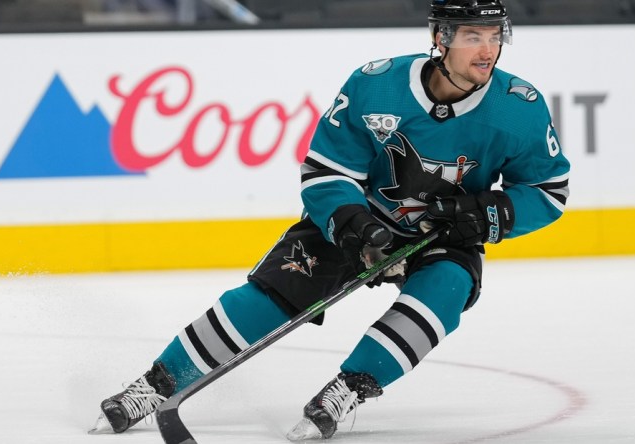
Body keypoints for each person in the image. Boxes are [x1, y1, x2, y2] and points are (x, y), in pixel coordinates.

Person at [89, 0, 570, 440]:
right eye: (472, 36)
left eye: (494, 35)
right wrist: (353, 223)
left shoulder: (519, 108)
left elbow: (548, 191)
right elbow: (325, 171)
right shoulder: (375, 85)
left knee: (445, 291)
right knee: (272, 296)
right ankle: (156, 384)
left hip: (440, 234)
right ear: (440, 38)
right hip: (358, 220)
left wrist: (485, 213)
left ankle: (349, 388)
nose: (488, 50)